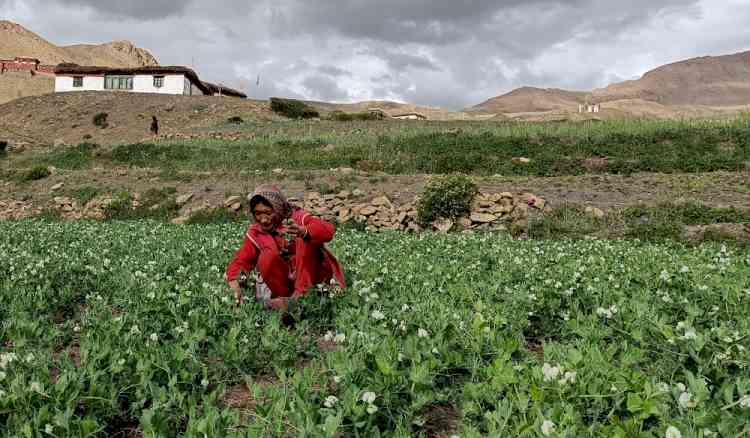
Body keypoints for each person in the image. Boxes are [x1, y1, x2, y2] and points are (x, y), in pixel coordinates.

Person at [225, 185, 345, 311]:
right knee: (267, 256)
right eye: (258, 214)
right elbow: (241, 261)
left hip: (314, 278)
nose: (263, 220)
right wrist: (234, 280)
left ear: (277, 208)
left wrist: (304, 232)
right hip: (285, 283)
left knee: (303, 240)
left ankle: (302, 297)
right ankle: (284, 301)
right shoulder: (256, 232)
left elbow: (328, 231)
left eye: (268, 213)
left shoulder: (297, 218)